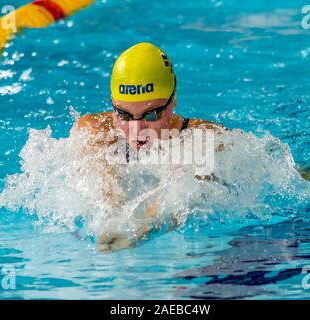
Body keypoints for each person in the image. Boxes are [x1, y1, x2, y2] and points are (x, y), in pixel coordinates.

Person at [70, 42, 226, 251]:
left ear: (173, 101)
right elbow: (99, 187)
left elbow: (178, 196)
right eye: (123, 114)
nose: (136, 131)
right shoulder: (95, 130)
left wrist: (141, 230)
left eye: (151, 115)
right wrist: (108, 220)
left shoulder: (203, 137)